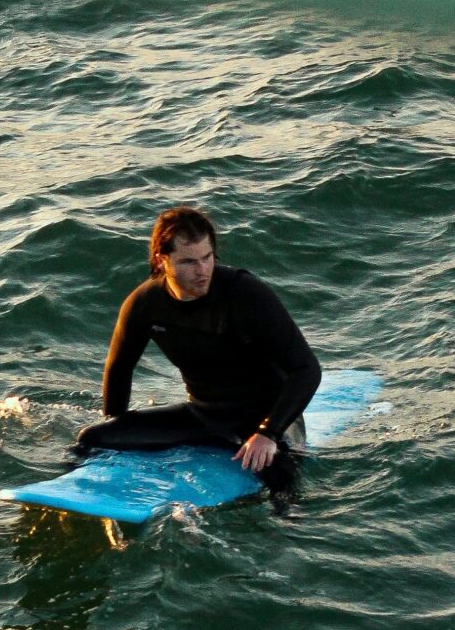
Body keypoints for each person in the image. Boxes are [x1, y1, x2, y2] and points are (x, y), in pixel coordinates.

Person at [75, 206, 322, 486]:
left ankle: (291, 524)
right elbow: (119, 369)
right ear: (162, 259)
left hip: (268, 418)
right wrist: (116, 428)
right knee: (92, 439)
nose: (203, 271)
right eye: (188, 262)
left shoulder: (245, 292)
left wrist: (269, 433)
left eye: (208, 258)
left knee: (277, 475)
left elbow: (307, 369)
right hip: (203, 415)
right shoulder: (145, 303)